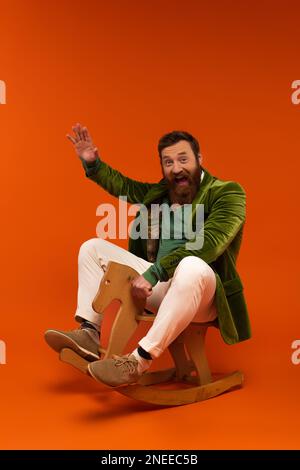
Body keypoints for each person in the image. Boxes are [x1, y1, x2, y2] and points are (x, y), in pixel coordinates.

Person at [45, 123, 251, 387]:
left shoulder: (227, 192)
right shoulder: (162, 193)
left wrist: (154, 272)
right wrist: (93, 165)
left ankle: (138, 361)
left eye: (183, 159)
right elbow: (126, 187)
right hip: (161, 287)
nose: (176, 168)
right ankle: (89, 332)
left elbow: (209, 243)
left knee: (191, 264)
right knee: (92, 247)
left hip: (203, 293)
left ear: (199, 160)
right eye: (168, 162)